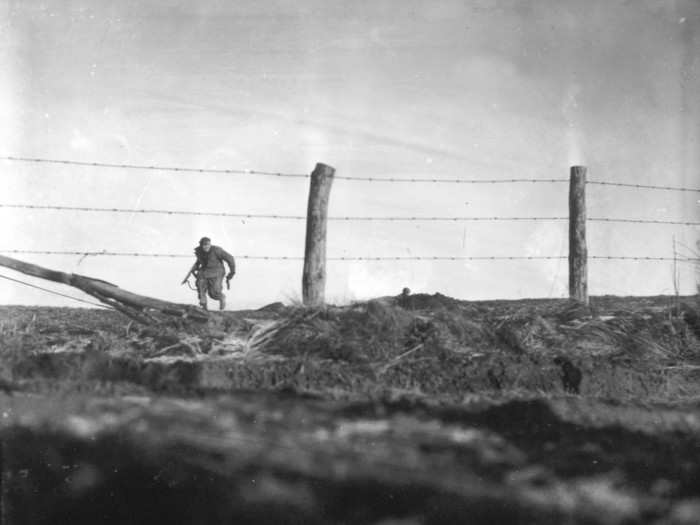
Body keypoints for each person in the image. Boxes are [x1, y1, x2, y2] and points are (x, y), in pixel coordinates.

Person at [181, 237, 235, 311]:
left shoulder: (217, 250)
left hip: (217, 272)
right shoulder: (199, 251)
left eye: (208, 244)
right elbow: (199, 262)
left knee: (213, 293)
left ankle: (221, 298)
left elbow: (230, 259)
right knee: (200, 285)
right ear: (201, 245)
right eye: (204, 245)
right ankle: (204, 307)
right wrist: (193, 270)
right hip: (204, 273)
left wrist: (232, 273)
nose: (206, 247)